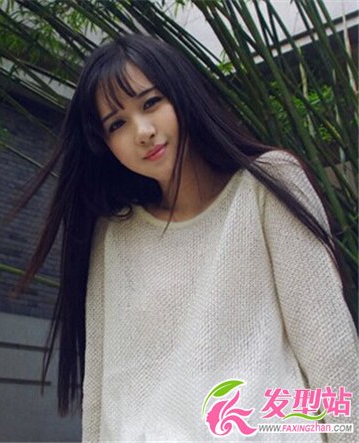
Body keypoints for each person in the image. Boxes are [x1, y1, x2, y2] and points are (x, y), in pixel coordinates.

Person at [18, 34, 358, 441]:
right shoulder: (115, 234)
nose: (143, 131)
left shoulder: (267, 186)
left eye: (151, 103)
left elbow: (329, 350)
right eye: (117, 124)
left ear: (182, 93)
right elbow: (105, 388)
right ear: (105, 145)